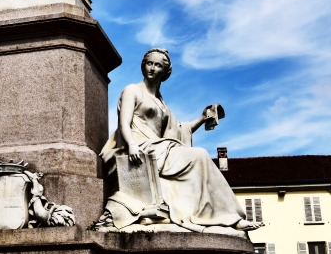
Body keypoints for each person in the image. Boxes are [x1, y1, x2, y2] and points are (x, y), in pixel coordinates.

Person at [98, 49, 257, 233]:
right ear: (143, 65)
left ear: (164, 71)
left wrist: (202, 118)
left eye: (157, 65)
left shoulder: (161, 103)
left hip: (159, 147)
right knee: (200, 155)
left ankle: (228, 217)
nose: (152, 68)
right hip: (140, 147)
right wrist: (132, 145)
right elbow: (123, 123)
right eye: (149, 63)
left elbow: (179, 129)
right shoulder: (132, 90)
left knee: (200, 157)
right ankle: (229, 217)